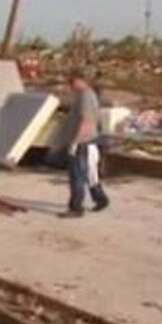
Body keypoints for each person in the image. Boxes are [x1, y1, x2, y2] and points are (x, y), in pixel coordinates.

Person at [60, 70, 110, 218]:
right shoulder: (85, 95)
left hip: (83, 143)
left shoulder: (85, 96)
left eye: (70, 82)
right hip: (88, 142)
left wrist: (75, 142)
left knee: (77, 177)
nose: (69, 86)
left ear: (78, 80)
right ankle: (101, 199)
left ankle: (76, 208)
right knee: (90, 174)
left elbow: (86, 121)